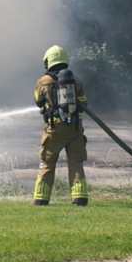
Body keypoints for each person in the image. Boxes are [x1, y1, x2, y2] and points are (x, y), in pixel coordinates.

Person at [33, 45, 89, 206]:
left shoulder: (44, 82)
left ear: (48, 62)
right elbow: (84, 103)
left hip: (54, 129)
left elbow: (38, 101)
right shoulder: (76, 82)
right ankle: (79, 198)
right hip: (75, 130)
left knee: (47, 164)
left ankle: (41, 200)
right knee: (76, 163)